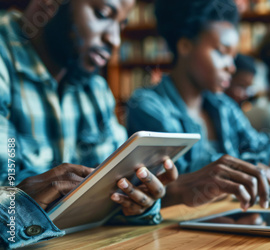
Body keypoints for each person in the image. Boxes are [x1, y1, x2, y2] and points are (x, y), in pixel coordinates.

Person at [127, 0, 270, 205]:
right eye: (222, 52)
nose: (231, 67)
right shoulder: (149, 106)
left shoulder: (223, 107)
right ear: (184, 45)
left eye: (233, 56)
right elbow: (170, 183)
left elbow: (267, 157)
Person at [0, 0, 176, 247]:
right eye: (103, 14)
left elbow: (112, 194)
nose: (114, 39)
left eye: (121, 24)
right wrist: (20, 205)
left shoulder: (95, 85)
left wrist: (134, 202)